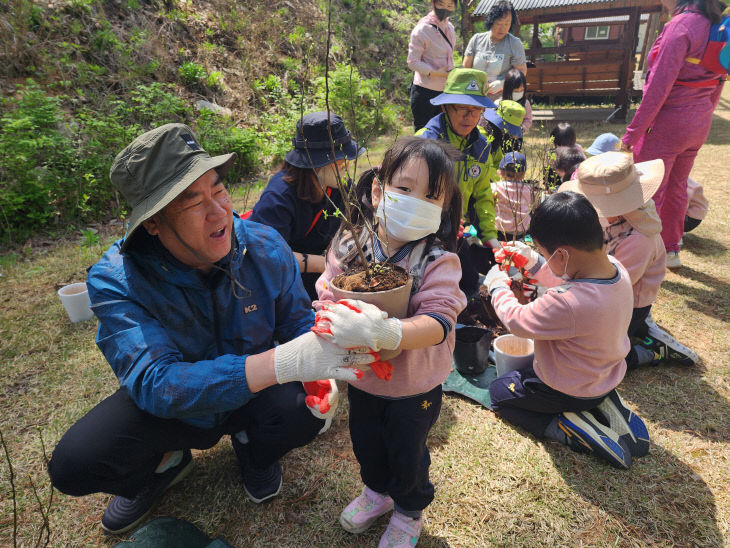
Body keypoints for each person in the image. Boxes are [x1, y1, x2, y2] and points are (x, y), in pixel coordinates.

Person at [47, 124, 375, 535]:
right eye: (192, 202)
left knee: (302, 413)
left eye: (218, 190)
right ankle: (166, 462)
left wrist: (326, 345)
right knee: (76, 463)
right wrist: (284, 361)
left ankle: (254, 452)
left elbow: (294, 323)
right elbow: (156, 382)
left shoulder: (265, 246)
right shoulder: (117, 281)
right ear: (153, 222)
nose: (219, 211)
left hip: (253, 394)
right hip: (176, 409)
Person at [312, 136, 467, 547]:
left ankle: (409, 511)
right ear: (378, 189)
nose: (416, 200)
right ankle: (375, 493)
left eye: (431, 196)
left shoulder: (437, 261)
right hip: (364, 378)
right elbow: (327, 285)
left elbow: (439, 320)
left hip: (414, 387)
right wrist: (326, 314)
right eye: (405, 188)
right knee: (366, 442)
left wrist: (391, 333)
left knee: (407, 453)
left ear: (443, 209)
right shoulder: (350, 243)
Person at [485, 192, 651, 469]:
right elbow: (571, 272)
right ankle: (601, 404)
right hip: (605, 376)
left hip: (565, 388)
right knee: (586, 389)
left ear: (561, 253)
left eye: (544, 252)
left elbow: (516, 320)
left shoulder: (566, 302)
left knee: (499, 394)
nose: (543, 257)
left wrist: (497, 287)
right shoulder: (618, 270)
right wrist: (534, 261)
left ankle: (566, 426)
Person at [621, 0, 726, 268]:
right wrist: (702, 116)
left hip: (669, 124)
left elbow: (658, 87)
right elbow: (719, 80)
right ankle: (670, 249)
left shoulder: (681, 26)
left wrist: (631, 135)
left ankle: (644, 257)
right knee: (677, 187)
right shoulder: (718, 25)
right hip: (698, 123)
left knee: (648, 188)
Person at [249, 112, 363, 301]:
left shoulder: (339, 186)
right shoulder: (278, 198)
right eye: (341, 163)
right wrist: (324, 264)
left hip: (327, 276)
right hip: (286, 285)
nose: (347, 169)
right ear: (316, 163)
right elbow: (265, 257)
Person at [415, 68, 499, 295]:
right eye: (463, 109)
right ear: (445, 107)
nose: (470, 117)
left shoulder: (481, 148)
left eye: (476, 110)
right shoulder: (426, 142)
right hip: (421, 232)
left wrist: (491, 237)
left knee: (469, 282)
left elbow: (482, 196)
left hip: (457, 231)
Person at [588, 133, 711, 258]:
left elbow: (675, 202)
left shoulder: (665, 180)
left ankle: (675, 236)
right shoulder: (674, 174)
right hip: (689, 210)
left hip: (690, 215)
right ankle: (674, 235)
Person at [408, 0, 458, 131]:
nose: (445, 9)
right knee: (424, 136)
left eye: (450, 6)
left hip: (445, 92)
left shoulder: (450, 28)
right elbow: (412, 62)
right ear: (433, 3)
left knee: (443, 135)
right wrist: (436, 72)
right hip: (425, 92)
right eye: (441, 4)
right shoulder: (423, 29)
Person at [463, 0, 527, 101]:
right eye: (498, 23)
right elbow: (466, 68)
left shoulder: (514, 43)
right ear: (491, 21)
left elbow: (521, 71)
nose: (503, 28)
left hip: (501, 98)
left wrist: (502, 83)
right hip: (475, 95)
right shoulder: (477, 39)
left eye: (507, 24)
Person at [492, 151, 533, 241]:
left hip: (501, 230)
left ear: (499, 172)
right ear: (523, 174)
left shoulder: (496, 187)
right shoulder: (528, 189)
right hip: (522, 230)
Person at [497, 68, 532, 132]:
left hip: (517, 135)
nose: (519, 93)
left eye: (522, 90)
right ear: (508, 89)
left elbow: (528, 120)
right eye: (515, 91)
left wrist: (522, 129)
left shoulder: (525, 104)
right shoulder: (499, 103)